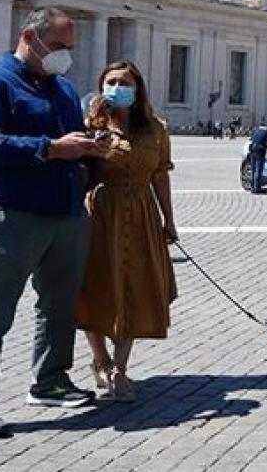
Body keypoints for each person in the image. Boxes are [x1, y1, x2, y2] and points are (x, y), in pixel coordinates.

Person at [0, 8, 109, 441]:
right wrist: (51, 149)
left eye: (69, 49)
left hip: (66, 212)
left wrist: (89, 147)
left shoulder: (61, 88)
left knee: (59, 305)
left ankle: (50, 381)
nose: (66, 56)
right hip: (13, 213)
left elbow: (71, 138)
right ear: (30, 36)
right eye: (60, 47)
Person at [76, 62, 178, 402]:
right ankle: (100, 359)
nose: (118, 87)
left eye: (125, 82)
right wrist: (92, 148)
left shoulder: (156, 129)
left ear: (138, 88)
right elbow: (76, 171)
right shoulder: (89, 125)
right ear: (101, 86)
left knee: (134, 289)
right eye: (111, 82)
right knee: (95, 288)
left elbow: (161, 175)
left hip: (142, 214)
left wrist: (169, 220)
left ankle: (119, 368)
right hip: (100, 214)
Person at [247, 122, 267, 194]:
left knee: (253, 170)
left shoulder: (258, 131)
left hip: (252, 151)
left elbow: (251, 139)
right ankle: (257, 188)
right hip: (259, 152)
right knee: (258, 170)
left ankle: (252, 187)